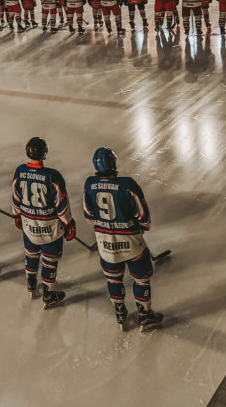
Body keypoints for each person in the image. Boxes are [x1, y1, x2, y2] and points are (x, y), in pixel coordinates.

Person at [83, 147, 163, 331]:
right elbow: (143, 218)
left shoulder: (89, 184)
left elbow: (89, 216)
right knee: (141, 280)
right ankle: (145, 315)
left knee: (113, 280)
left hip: (105, 245)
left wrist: (103, 231)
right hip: (132, 245)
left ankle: (120, 313)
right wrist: (142, 227)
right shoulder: (127, 184)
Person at [12, 137, 76, 309]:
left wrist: (17, 215)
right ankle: (48, 294)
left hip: (29, 226)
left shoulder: (20, 171)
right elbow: (62, 206)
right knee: (49, 260)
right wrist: (68, 223)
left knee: (31, 254)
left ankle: (31, 283)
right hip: (51, 229)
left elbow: (16, 198)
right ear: (44, 153)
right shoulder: (53, 176)